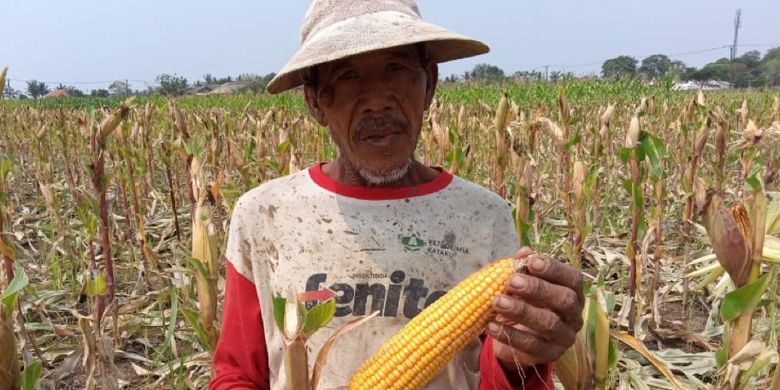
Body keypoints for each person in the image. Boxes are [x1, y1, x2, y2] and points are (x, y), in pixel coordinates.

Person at [209, 1, 584, 389]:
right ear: (315, 101)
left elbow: (504, 375)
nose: (377, 99)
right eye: (349, 74)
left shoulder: (483, 217)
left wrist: (523, 359)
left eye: (397, 69)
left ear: (430, 84)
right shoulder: (264, 215)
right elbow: (237, 374)